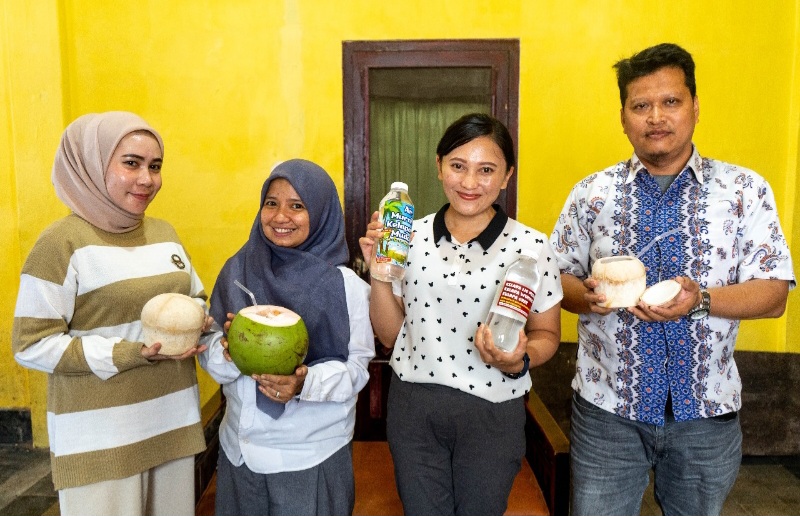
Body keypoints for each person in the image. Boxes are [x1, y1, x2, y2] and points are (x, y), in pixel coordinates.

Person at [549, 43, 796, 516]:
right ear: (623, 117)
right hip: (608, 413)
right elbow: (554, 279)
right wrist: (587, 296)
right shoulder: (591, 193)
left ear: (695, 108)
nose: (656, 117)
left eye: (671, 102)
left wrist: (699, 299)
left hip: (706, 413)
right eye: (640, 105)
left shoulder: (745, 191)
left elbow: (773, 294)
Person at [359, 113, 563, 516]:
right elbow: (390, 336)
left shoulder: (532, 245)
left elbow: (548, 335)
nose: (470, 183)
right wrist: (378, 272)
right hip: (415, 409)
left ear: (507, 176)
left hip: (492, 413)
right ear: (439, 166)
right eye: (458, 166)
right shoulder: (408, 237)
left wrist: (519, 358)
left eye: (486, 170)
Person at [12, 111, 209, 516]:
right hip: (101, 441)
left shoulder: (164, 233)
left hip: (172, 425)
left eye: (155, 166)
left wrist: (200, 320)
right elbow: (31, 345)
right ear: (89, 165)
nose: (146, 179)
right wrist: (129, 352)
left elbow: (196, 297)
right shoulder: (61, 243)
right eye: (131, 163)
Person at [199, 159, 374, 516]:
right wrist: (229, 353)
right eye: (271, 203)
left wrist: (304, 383)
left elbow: (357, 368)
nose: (281, 217)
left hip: (309, 455)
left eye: (298, 206)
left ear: (322, 213)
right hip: (239, 452)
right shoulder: (237, 269)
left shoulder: (345, 286)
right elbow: (209, 345)